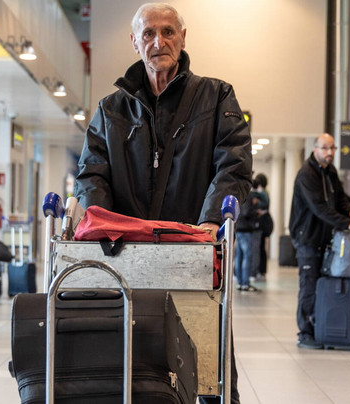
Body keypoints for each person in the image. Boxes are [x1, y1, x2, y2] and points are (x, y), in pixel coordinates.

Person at [74, 3, 252, 402]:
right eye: (149, 33)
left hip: (194, 254)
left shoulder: (216, 95)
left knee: (210, 366)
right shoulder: (110, 110)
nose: (159, 42)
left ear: (183, 38)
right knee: (138, 369)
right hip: (127, 257)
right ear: (134, 41)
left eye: (169, 32)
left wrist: (210, 221)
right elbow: (92, 175)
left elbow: (234, 166)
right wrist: (102, 225)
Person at [288, 133, 350, 349]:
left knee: (321, 284)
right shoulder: (307, 174)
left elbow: (339, 199)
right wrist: (347, 224)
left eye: (332, 148)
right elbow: (319, 208)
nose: (330, 153)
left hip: (325, 238)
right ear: (315, 149)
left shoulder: (330, 171)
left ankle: (319, 326)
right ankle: (305, 333)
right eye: (325, 148)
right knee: (309, 283)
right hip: (307, 238)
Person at [235, 188, 261, 292]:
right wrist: (256, 212)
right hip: (246, 229)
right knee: (247, 256)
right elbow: (246, 212)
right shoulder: (248, 195)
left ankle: (240, 282)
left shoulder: (238, 193)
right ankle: (245, 283)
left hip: (238, 228)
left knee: (239, 257)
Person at [250, 174, 271, 279]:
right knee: (261, 247)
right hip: (264, 223)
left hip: (260, 223)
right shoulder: (265, 192)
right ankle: (261, 270)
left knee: (258, 248)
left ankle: (259, 270)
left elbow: (262, 206)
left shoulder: (261, 194)